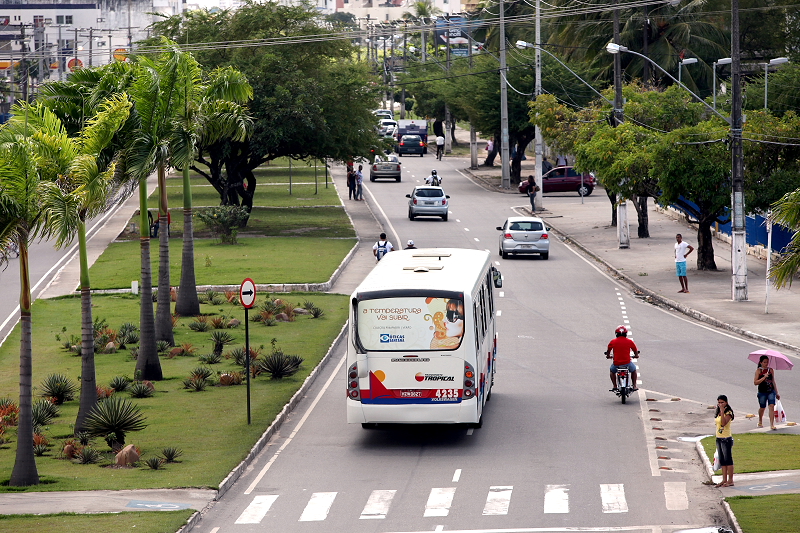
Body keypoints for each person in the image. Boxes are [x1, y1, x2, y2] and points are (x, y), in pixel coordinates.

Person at [605, 325, 639, 391]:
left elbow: (608, 351)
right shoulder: (629, 341)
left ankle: (615, 385)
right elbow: (635, 350)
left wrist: (608, 356)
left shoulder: (613, 341)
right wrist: (636, 355)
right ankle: (634, 385)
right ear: (626, 334)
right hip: (627, 363)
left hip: (616, 364)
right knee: (634, 370)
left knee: (612, 371)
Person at [754, 355, 780, 430]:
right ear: (761, 362)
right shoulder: (758, 371)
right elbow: (755, 382)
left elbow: (773, 381)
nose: (766, 364)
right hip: (762, 391)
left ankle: (772, 424)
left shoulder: (771, 370)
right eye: (764, 362)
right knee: (762, 407)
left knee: (771, 406)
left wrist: (777, 392)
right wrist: (764, 377)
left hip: (771, 391)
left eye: (767, 362)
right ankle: (760, 420)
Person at [714, 394, 735, 487]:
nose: (720, 404)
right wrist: (720, 411)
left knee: (728, 460)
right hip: (719, 438)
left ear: (726, 402)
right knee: (722, 460)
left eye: (722, 402)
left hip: (726, 439)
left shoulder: (728, 412)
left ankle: (730, 480)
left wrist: (722, 411)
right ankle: (724, 479)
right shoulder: (718, 412)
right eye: (719, 403)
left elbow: (723, 423)